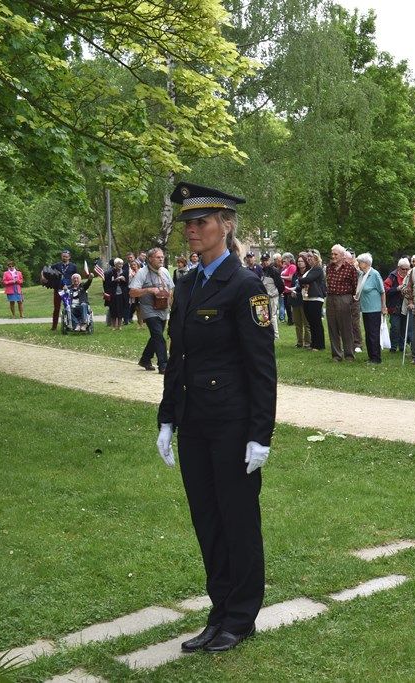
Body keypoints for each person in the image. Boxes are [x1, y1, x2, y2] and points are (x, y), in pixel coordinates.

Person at [155, 181, 276, 654]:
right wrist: (168, 418)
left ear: (225, 226)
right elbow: (177, 357)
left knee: (237, 520)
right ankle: (219, 610)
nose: (191, 230)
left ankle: (240, 618)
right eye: (187, 223)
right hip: (195, 423)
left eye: (200, 222)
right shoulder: (187, 284)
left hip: (232, 425)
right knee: (207, 519)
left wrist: (259, 435)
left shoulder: (245, 286)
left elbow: (262, 369)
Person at [130, 248, 174, 374]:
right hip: (149, 309)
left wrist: (172, 306)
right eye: (158, 257)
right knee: (159, 336)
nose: (161, 259)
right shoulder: (142, 273)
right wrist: (148, 290)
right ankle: (164, 365)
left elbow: (171, 290)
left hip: (163, 308)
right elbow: (132, 292)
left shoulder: (165, 271)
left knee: (156, 336)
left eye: (162, 257)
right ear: (150, 259)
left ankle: (145, 359)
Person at [325, 245, 358, 361]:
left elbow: (355, 286)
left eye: (335, 254)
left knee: (346, 328)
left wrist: (350, 300)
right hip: (330, 298)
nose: (333, 256)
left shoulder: (350, 269)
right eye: (332, 254)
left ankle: (349, 355)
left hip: (344, 298)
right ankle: (336, 355)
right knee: (332, 327)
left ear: (343, 256)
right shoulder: (329, 268)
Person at [355, 253, 386, 364]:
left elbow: (382, 292)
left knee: (373, 334)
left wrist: (383, 306)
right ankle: (371, 356)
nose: (358, 264)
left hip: (374, 309)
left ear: (365, 263)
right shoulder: (362, 275)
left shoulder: (374, 274)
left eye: (359, 262)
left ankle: (376, 358)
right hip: (366, 309)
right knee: (368, 334)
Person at [300, 250, 327, 351]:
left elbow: (307, 279)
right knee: (311, 322)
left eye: (310, 256)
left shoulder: (318, 269)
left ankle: (319, 345)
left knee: (316, 322)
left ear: (316, 257)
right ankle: (313, 343)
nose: (308, 259)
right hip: (307, 298)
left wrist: (300, 280)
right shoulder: (310, 269)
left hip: (315, 298)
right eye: (307, 257)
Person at [384, 258, 410, 353]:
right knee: (395, 327)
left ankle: (402, 346)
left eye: (407, 269)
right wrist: (397, 289)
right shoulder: (393, 276)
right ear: (398, 268)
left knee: (404, 327)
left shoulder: (410, 275)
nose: (405, 271)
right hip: (394, 306)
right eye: (403, 269)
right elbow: (385, 288)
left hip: (406, 305)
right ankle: (393, 347)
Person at [49, 249, 78, 330]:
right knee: (56, 308)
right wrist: (43, 277)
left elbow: (76, 277)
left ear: (69, 257)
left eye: (66, 257)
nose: (64, 258)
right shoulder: (56, 265)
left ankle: (71, 325)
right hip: (58, 289)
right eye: (63, 256)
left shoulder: (73, 266)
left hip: (69, 289)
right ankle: (54, 327)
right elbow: (46, 270)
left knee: (69, 307)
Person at [103, 258, 130, 330]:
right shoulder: (110, 272)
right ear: (115, 265)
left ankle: (119, 326)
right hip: (113, 293)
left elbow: (127, 283)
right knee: (113, 309)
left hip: (122, 293)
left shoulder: (125, 272)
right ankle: (113, 326)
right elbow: (107, 284)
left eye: (121, 264)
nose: (120, 265)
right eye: (119, 264)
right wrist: (115, 281)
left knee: (121, 309)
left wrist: (124, 280)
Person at [260, 254, 283, 340]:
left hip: (273, 297)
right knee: (265, 316)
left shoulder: (274, 271)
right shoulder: (263, 270)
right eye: (263, 260)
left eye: (266, 260)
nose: (264, 262)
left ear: (269, 260)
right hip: (265, 297)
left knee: (272, 315)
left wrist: (274, 294)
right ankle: (268, 334)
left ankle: (276, 335)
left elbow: (281, 286)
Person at [288, 254, 308, 348]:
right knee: (297, 323)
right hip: (295, 300)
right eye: (298, 261)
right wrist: (292, 291)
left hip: (305, 300)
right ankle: (299, 342)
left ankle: (307, 342)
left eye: (302, 261)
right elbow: (292, 285)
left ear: (305, 262)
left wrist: (297, 291)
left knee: (306, 323)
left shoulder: (308, 273)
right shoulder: (295, 274)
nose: (300, 263)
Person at [280, 253, 297, 325]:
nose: (284, 261)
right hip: (285, 289)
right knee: (286, 305)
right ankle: (290, 319)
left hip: (290, 288)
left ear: (289, 259)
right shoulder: (285, 267)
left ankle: (292, 320)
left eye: (285, 259)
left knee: (290, 305)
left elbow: (290, 278)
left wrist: (281, 277)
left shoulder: (292, 266)